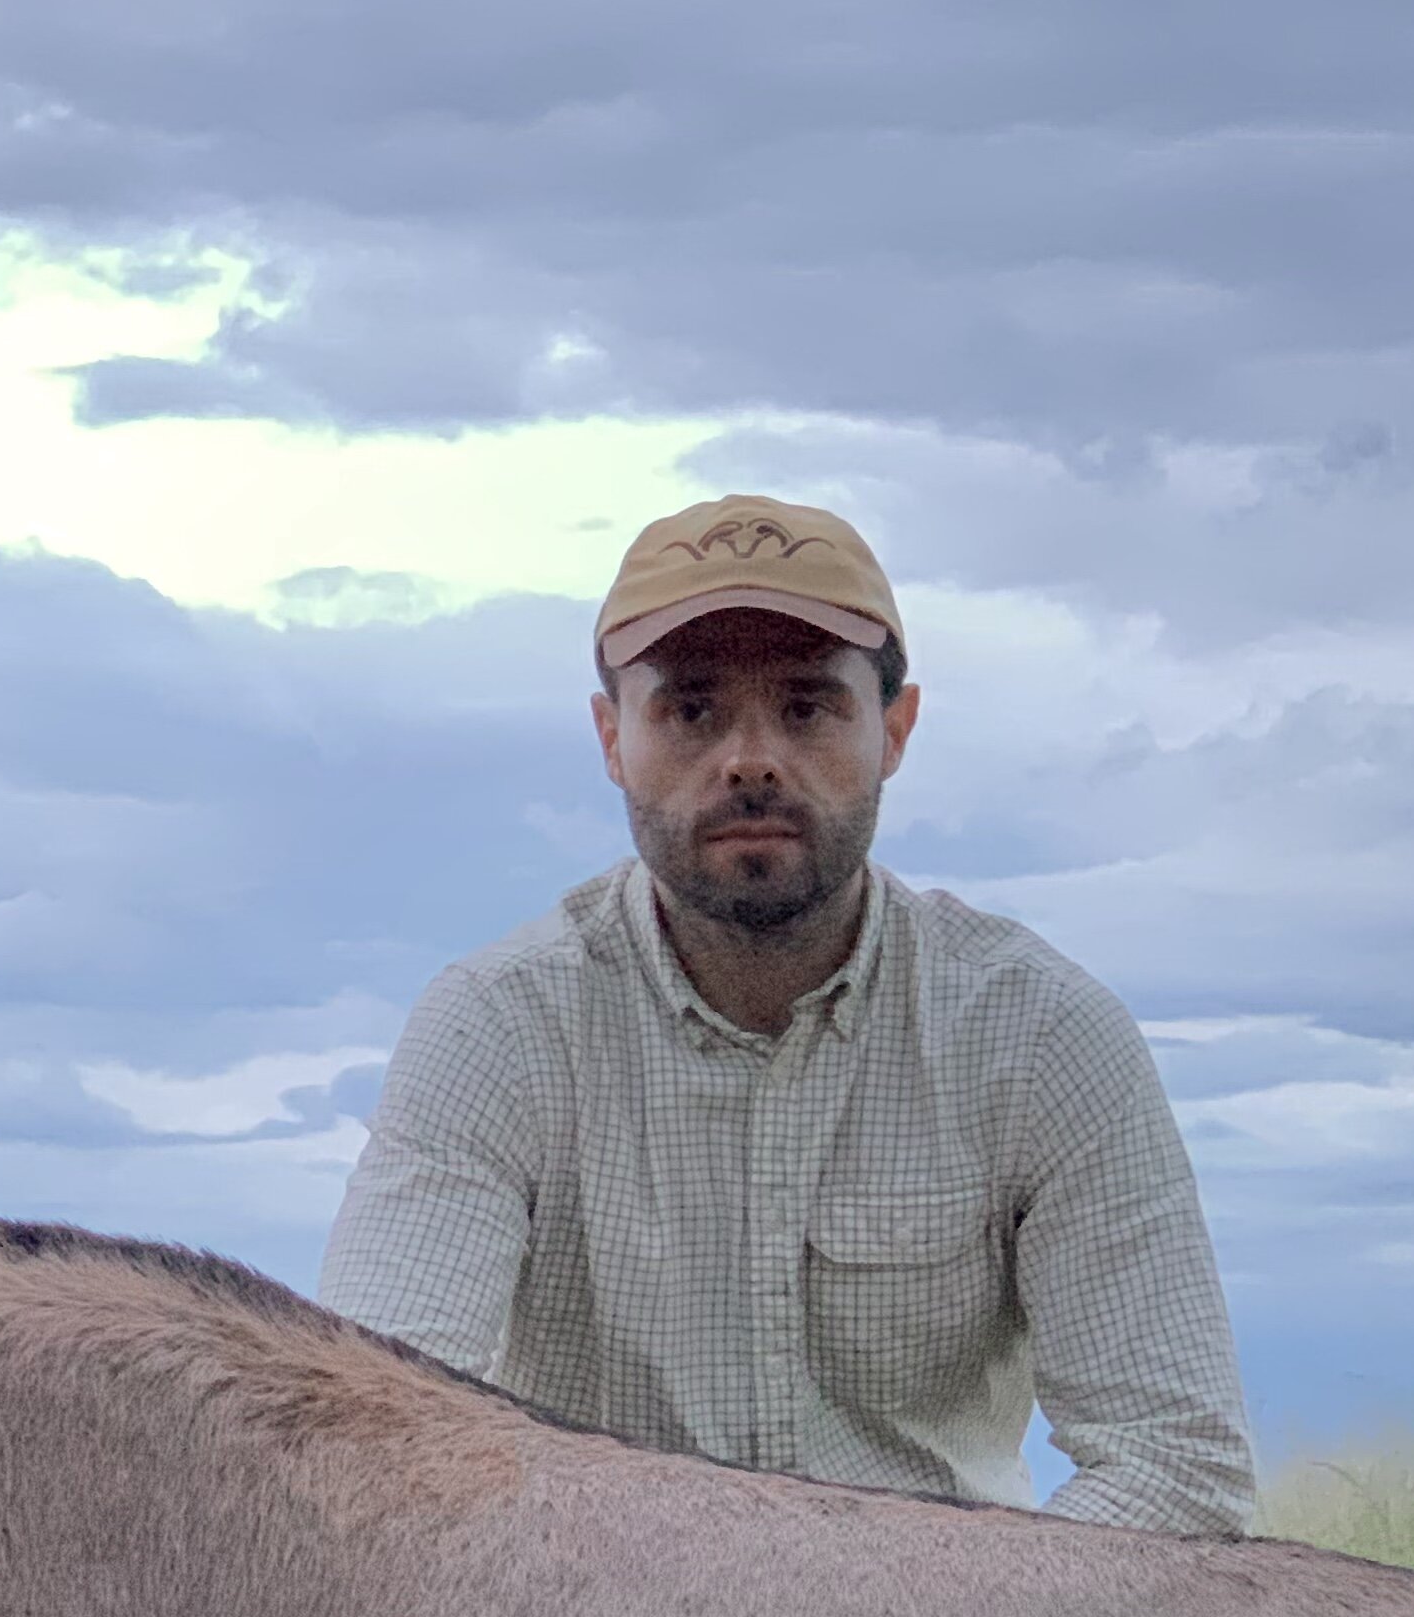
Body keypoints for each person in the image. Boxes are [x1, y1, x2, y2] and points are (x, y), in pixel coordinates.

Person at [320, 494, 1255, 1533]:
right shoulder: (497, 1030)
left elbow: (1181, 1468)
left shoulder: (1040, 1037)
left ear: (894, 730)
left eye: (808, 707)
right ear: (611, 738)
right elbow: (378, 1454)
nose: (750, 759)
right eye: (690, 710)